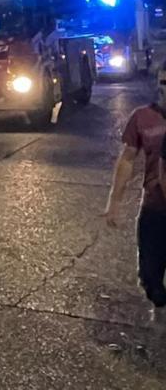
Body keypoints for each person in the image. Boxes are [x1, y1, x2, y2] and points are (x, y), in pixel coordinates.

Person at [104, 62, 166, 324]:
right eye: (164, 82)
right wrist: (114, 202)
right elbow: (127, 159)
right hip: (154, 207)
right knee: (151, 279)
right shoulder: (142, 117)